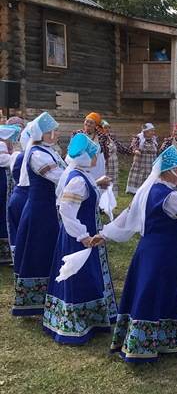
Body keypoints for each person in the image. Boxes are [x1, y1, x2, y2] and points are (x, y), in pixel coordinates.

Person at [97, 145, 177, 362]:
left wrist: (104, 234)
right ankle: (155, 343)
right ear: (169, 171)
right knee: (161, 292)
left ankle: (143, 341)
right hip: (165, 254)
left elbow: (126, 215)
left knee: (148, 292)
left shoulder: (147, 191)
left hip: (146, 252)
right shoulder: (171, 198)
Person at [43, 133, 117, 344]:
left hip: (81, 233)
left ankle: (91, 319)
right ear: (84, 156)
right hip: (79, 237)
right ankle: (77, 323)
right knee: (80, 277)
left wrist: (98, 184)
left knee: (88, 274)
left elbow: (82, 196)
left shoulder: (79, 174)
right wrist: (82, 235)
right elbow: (66, 209)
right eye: (93, 155)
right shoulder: (77, 179)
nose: (95, 159)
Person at [13, 112, 65, 316]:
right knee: (38, 250)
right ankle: (35, 300)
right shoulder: (37, 154)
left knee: (48, 249)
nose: (58, 133)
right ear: (44, 134)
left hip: (49, 208)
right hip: (40, 210)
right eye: (54, 130)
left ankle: (49, 295)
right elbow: (59, 177)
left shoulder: (49, 151)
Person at [6, 117, 28, 263]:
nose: (19, 130)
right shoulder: (7, 144)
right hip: (15, 187)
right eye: (15, 127)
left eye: (20, 127)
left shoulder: (25, 144)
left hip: (19, 187)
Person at [0, 124, 21, 264]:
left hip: (4, 181)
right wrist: (15, 155)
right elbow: (4, 160)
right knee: (3, 213)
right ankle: (4, 252)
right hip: (3, 182)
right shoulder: (1, 145)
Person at [71, 112, 110, 186]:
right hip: (80, 165)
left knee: (96, 185)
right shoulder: (77, 133)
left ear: (96, 125)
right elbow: (72, 150)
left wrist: (106, 163)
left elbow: (105, 151)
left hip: (97, 165)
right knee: (81, 185)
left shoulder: (101, 136)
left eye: (91, 123)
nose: (88, 124)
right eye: (87, 121)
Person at [99, 120, 132, 195]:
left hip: (114, 163)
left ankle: (112, 197)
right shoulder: (99, 138)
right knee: (104, 179)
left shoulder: (111, 137)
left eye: (108, 128)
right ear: (100, 128)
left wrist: (130, 151)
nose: (107, 129)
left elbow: (120, 147)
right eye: (105, 128)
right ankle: (103, 197)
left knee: (113, 180)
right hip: (105, 163)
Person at [126, 123, 159, 194]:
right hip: (141, 164)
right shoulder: (139, 138)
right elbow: (133, 146)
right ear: (146, 131)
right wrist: (136, 150)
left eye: (153, 131)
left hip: (151, 164)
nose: (153, 132)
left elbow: (156, 150)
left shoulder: (154, 139)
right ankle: (137, 192)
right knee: (139, 178)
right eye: (151, 131)